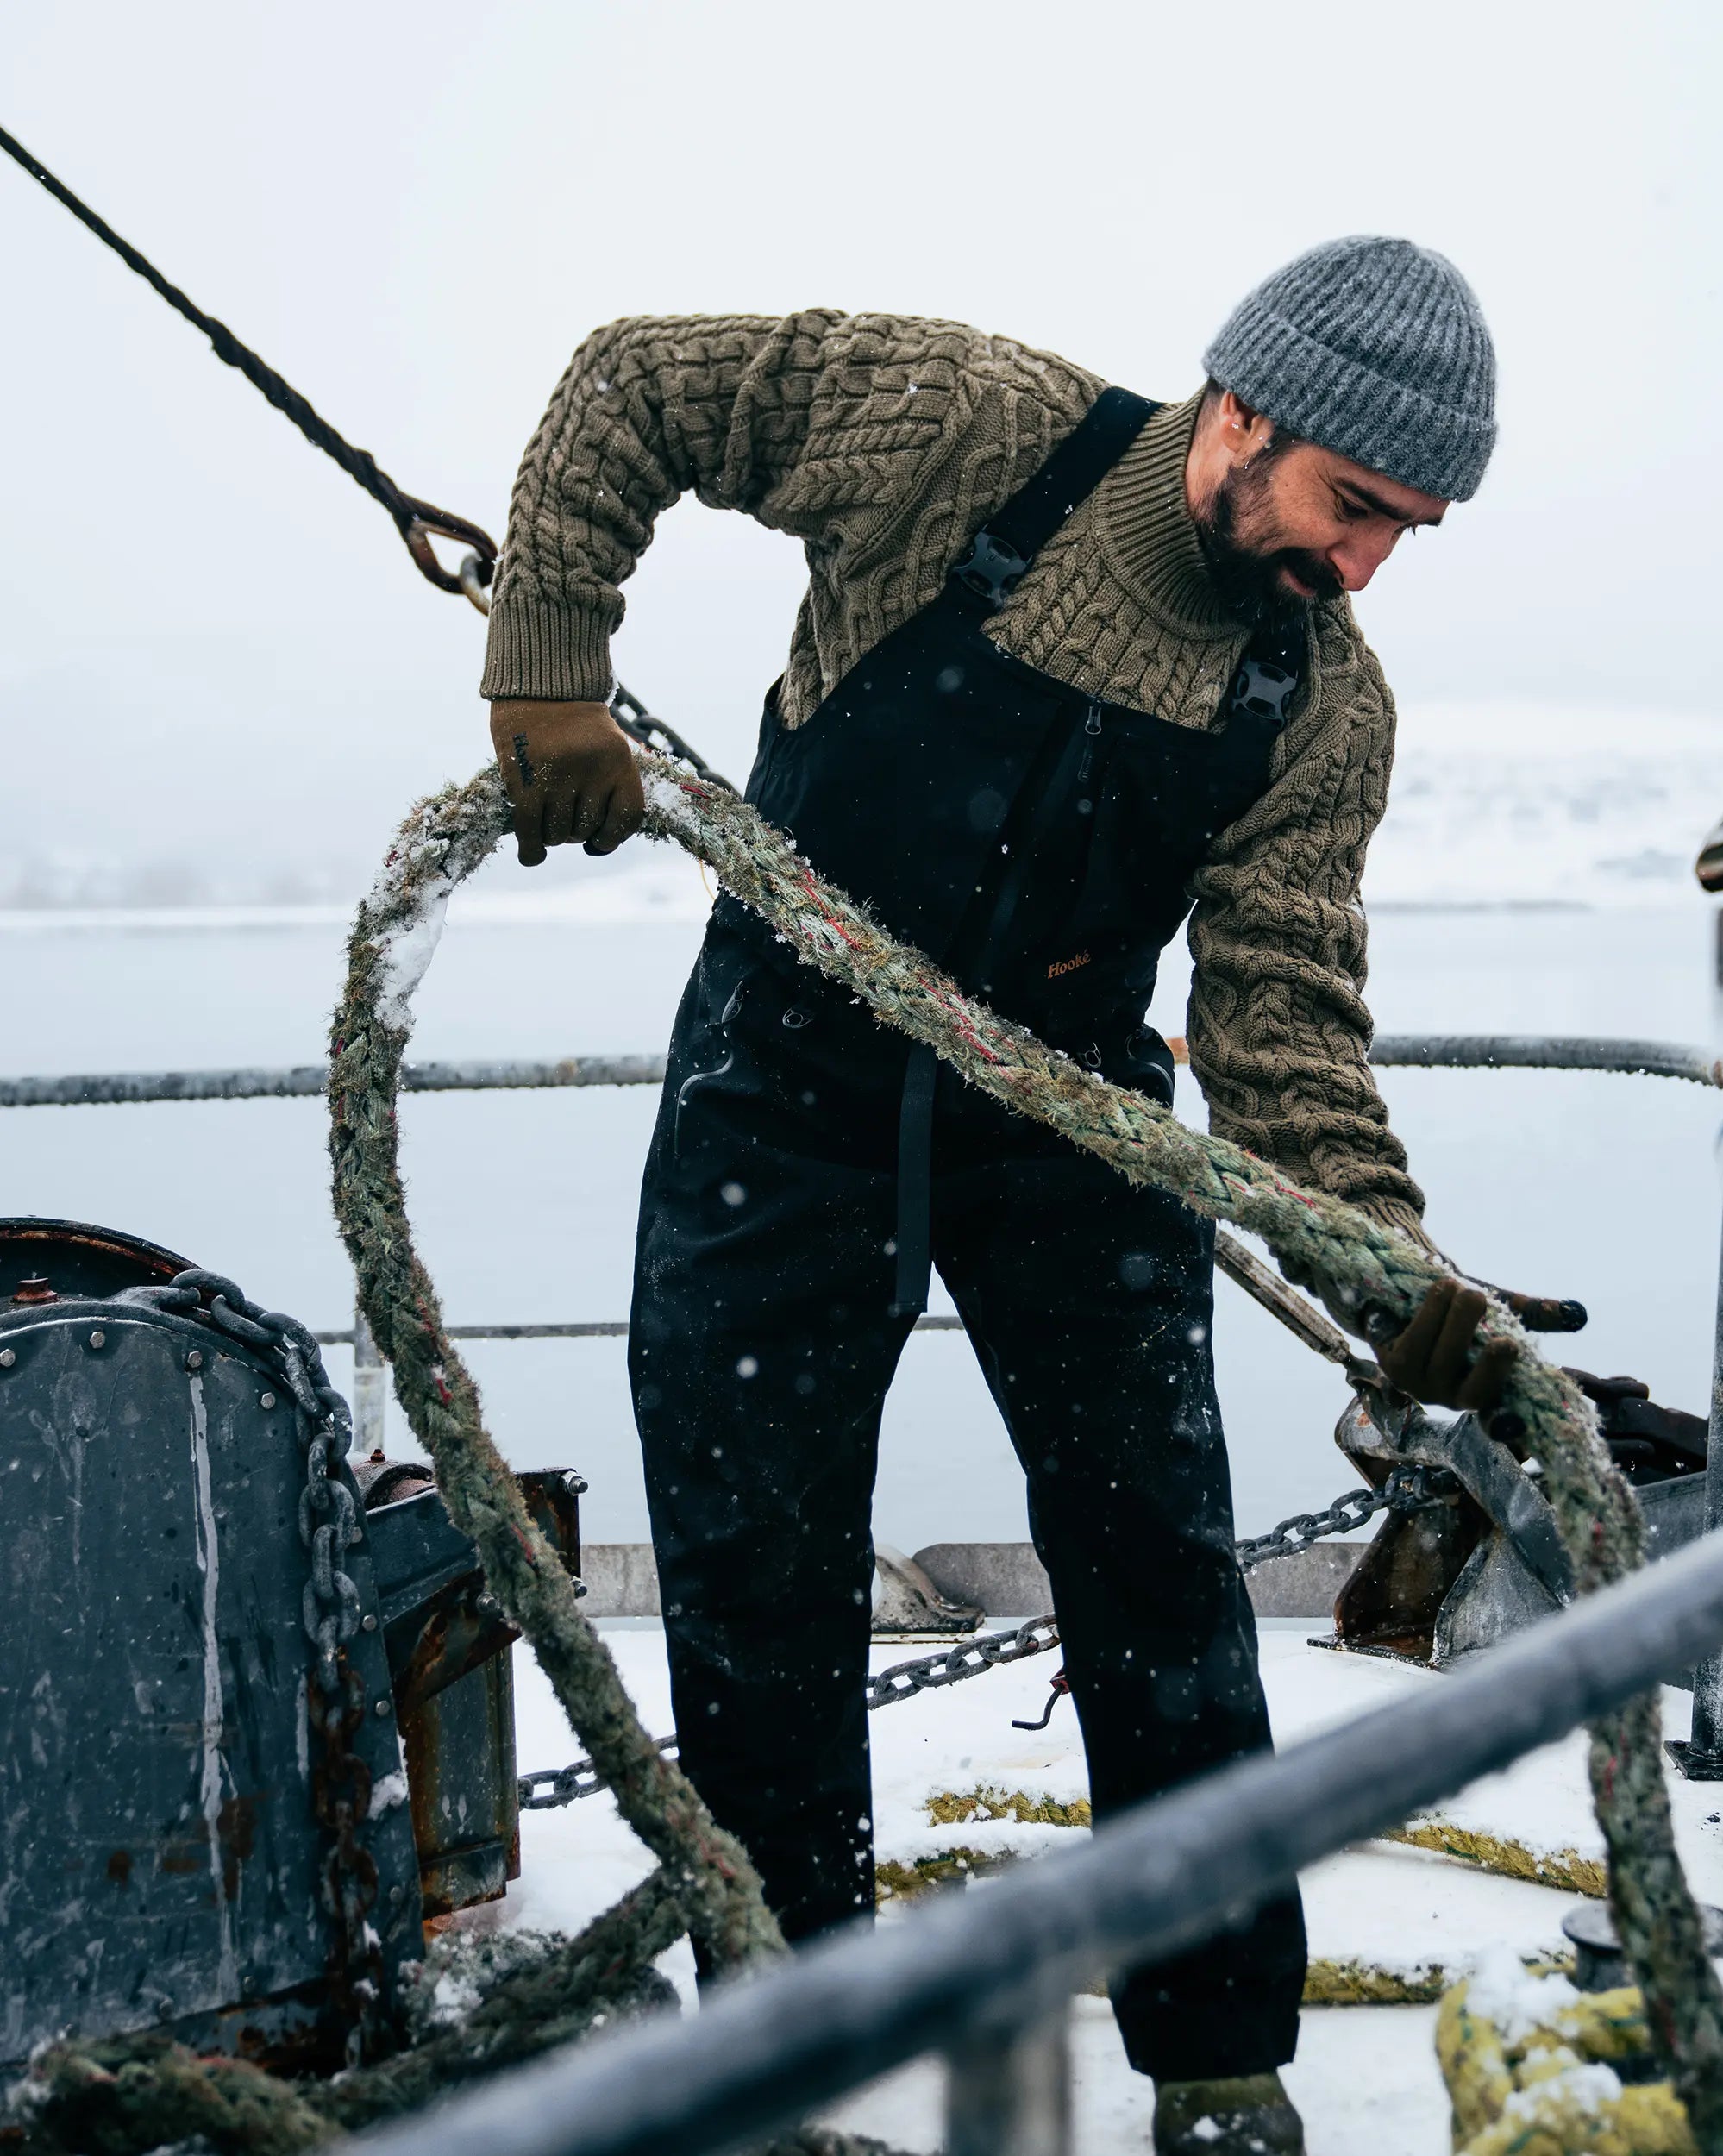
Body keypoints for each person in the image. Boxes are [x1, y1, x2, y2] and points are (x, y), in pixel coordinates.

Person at [484, 235, 1519, 2154]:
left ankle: (1216, 2056)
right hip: (782, 1077)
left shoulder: (1317, 706)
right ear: (1242, 413)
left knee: (1160, 1570)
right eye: (1349, 506)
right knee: (757, 1575)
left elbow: (1282, 1032)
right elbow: (634, 379)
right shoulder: (958, 432)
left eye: (1406, 533)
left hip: (1068, 1110)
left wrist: (1394, 1266)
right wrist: (548, 670)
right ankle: (769, 2057)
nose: (1363, 564)